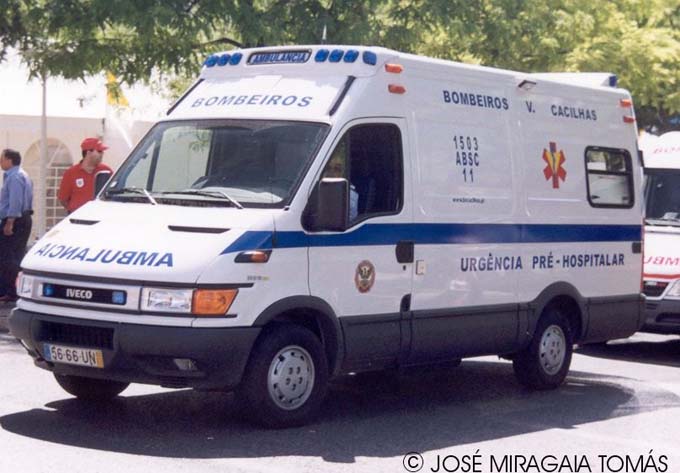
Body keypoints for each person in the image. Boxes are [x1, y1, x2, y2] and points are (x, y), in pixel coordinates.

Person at [0, 149, 33, 302]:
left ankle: (10, 291)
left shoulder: (14, 177)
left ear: (9, 160)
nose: (0, 162)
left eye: (2, 159)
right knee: (15, 255)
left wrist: (10, 222)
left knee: (8, 257)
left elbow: (15, 201)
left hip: (15, 220)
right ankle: (13, 290)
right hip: (23, 218)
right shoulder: (23, 175)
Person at [58, 137, 113, 213]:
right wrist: (74, 210)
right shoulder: (71, 173)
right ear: (88, 153)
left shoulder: (106, 171)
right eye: (99, 151)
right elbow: (63, 199)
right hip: (78, 217)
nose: (102, 154)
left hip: (99, 215)